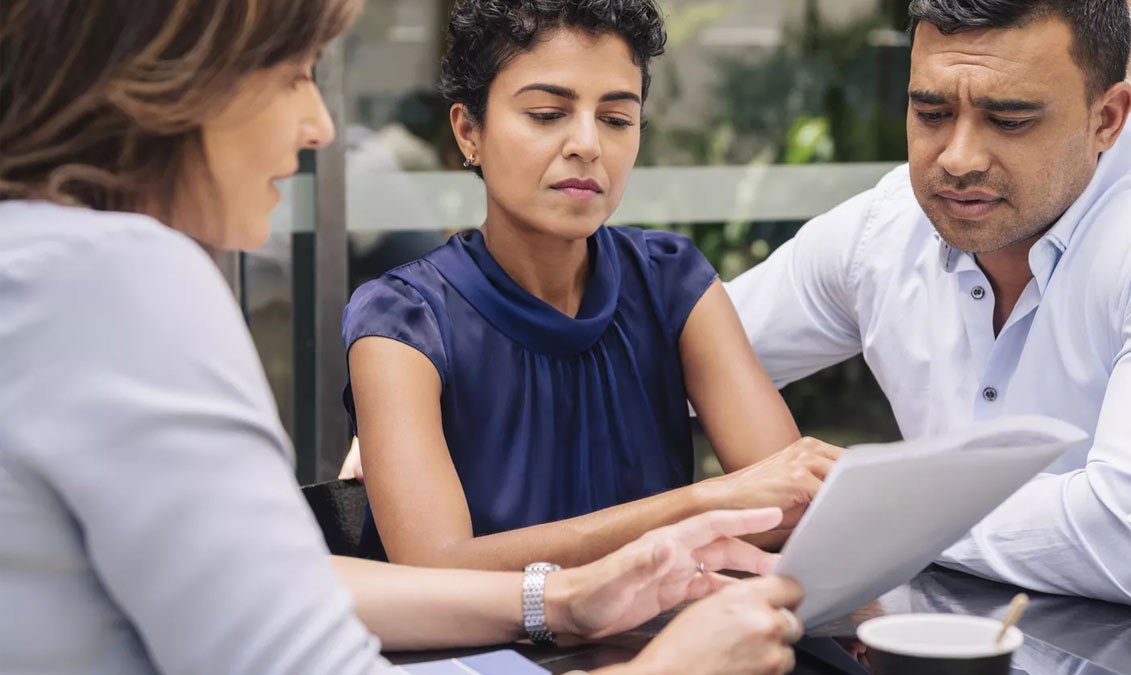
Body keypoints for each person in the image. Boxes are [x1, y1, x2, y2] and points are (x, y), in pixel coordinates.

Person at [0, 1, 809, 673]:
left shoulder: (60, 271)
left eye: (617, 116)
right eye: (291, 75)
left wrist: (565, 597)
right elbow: (300, 646)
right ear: (170, 86)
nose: (320, 125)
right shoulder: (124, 280)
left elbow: (275, 584)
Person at [727, 0, 1131, 606]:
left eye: (1009, 120)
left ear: (1107, 118)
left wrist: (872, 504)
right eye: (932, 112)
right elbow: (678, 360)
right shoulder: (885, 229)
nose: (957, 158)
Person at [341, 0, 840, 572]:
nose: (588, 145)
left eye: (617, 119)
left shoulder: (672, 281)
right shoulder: (401, 319)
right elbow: (438, 570)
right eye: (548, 113)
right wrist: (701, 503)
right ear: (468, 132)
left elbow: (791, 505)